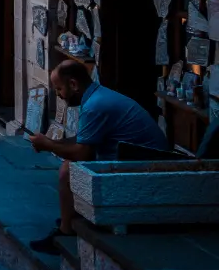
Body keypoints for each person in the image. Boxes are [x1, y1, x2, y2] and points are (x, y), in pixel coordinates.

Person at [28, 59, 168, 253]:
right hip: (136, 160)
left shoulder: (95, 105)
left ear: (73, 84)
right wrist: (52, 142)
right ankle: (71, 216)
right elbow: (84, 140)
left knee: (67, 170)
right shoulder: (97, 97)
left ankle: (65, 231)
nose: (59, 96)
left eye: (59, 89)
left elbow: (81, 153)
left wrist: (48, 145)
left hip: (145, 167)